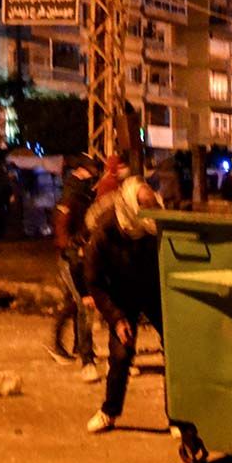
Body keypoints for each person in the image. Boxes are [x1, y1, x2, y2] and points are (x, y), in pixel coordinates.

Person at [83, 176, 165, 434]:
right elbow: (94, 281)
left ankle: (179, 419)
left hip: (153, 290)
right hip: (121, 294)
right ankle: (109, 412)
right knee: (120, 355)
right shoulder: (106, 230)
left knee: (175, 352)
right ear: (131, 206)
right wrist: (117, 318)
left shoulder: (153, 224)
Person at [47, 154, 102, 383]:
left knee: (74, 304)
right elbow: (61, 233)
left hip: (78, 257)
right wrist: (74, 246)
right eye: (90, 172)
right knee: (83, 305)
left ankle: (69, 346)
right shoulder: (70, 199)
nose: (93, 178)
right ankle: (85, 356)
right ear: (80, 172)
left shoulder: (82, 197)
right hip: (70, 260)